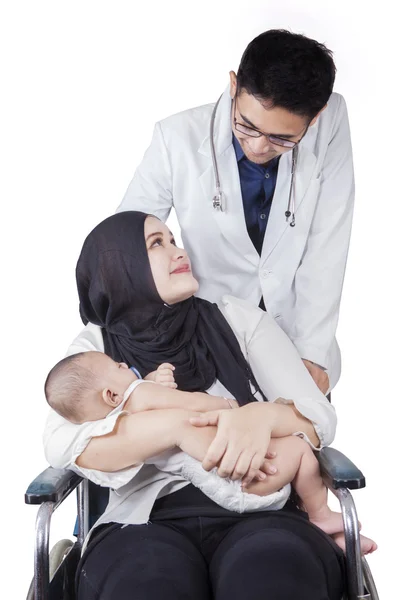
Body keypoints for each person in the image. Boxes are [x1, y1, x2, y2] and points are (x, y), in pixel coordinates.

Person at [44, 211, 348, 599]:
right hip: (146, 519)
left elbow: (318, 415)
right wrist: (177, 429)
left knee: (272, 573)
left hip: (261, 507)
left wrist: (258, 416)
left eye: (172, 239)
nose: (178, 250)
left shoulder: (238, 320)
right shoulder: (97, 349)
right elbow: (61, 444)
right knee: (145, 585)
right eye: (157, 243)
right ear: (122, 267)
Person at [117, 29, 355, 395]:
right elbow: (123, 250)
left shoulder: (331, 120)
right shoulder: (176, 138)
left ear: (316, 116)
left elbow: (329, 239)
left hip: (294, 336)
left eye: (282, 139)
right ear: (233, 85)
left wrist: (313, 353)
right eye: (247, 124)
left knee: (298, 446)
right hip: (205, 340)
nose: (259, 146)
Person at [44, 349, 377, 555]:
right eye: (116, 366)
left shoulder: (117, 418)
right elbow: (190, 407)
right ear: (110, 395)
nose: (122, 363)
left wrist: (150, 381)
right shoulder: (140, 395)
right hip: (233, 478)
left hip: (209, 483)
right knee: (300, 449)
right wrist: (232, 407)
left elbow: (145, 400)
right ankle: (319, 515)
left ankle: (329, 533)